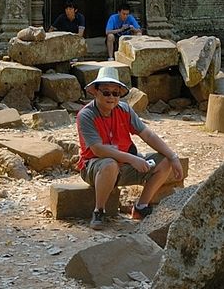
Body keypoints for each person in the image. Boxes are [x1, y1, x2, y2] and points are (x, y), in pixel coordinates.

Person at [76, 64, 183, 230]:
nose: (111, 97)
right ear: (96, 92)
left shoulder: (124, 110)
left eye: (115, 93)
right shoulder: (86, 115)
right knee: (109, 164)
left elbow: (148, 135)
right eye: (106, 92)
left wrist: (173, 157)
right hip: (95, 166)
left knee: (164, 161)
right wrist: (132, 159)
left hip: (124, 165)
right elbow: (98, 150)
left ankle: (141, 207)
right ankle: (99, 210)